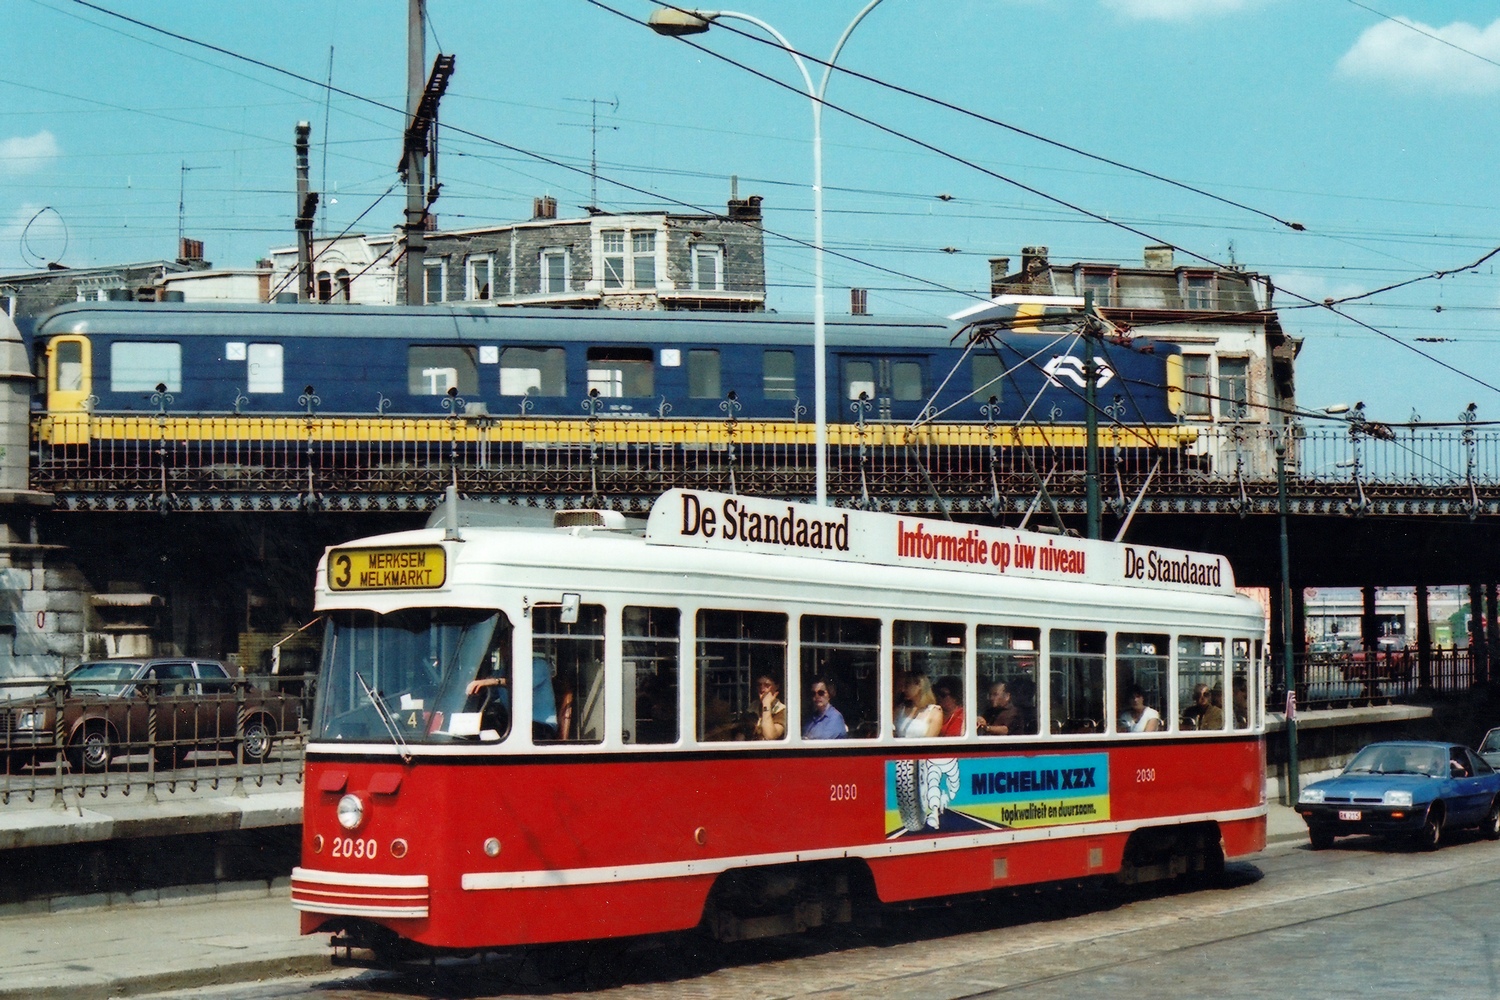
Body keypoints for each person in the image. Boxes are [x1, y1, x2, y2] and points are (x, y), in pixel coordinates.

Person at [894, 672, 943, 738]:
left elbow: (930, 741)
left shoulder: (934, 713)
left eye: (906, 685)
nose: (903, 690)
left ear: (919, 685)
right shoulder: (900, 709)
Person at [752, 674, 786, 740]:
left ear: (776, 686)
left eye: (767, 685)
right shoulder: (752, 707)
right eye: (759, 685)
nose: (762, 689)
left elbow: (770, 736)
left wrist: (766, 704)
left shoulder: (782, 710)